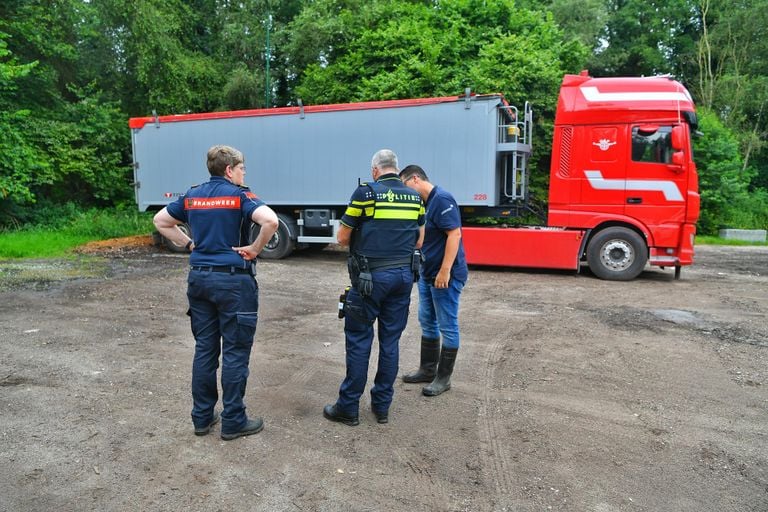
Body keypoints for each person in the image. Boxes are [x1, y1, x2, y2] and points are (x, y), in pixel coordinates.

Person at [153, 144, 278, 440]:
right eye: (242, 168)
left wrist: (189, 244)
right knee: (235, 352)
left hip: (199, 281)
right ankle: (234, 420)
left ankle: (202, 417)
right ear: (229, 169)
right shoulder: (240, 196)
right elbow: (271, 221)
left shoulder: (192, 195)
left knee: (205, 349)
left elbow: (160, 221)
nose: (244, 172)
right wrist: (255, 249)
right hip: (234, 282)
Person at [323, 149, 424, 426]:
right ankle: (382, 407)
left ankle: (348, 408)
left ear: (375, 170)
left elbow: (342, 238)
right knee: (390, 343)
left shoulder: (366, 194)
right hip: (403, 277)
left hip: (369, 280)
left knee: (358, 342)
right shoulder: (414, 197)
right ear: (396, 168)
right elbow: (418, 240)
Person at [398, 164, 468, 396]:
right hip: (429, 274)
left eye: (405, 185)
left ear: (415, 179)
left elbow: (454, 234)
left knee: (447, 324)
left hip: (444, 276)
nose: (405, 191)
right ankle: (428, 370)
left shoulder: (442, 199)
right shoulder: (425, 203)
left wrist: (445, 270)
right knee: (427, 320)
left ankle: (443, 379)